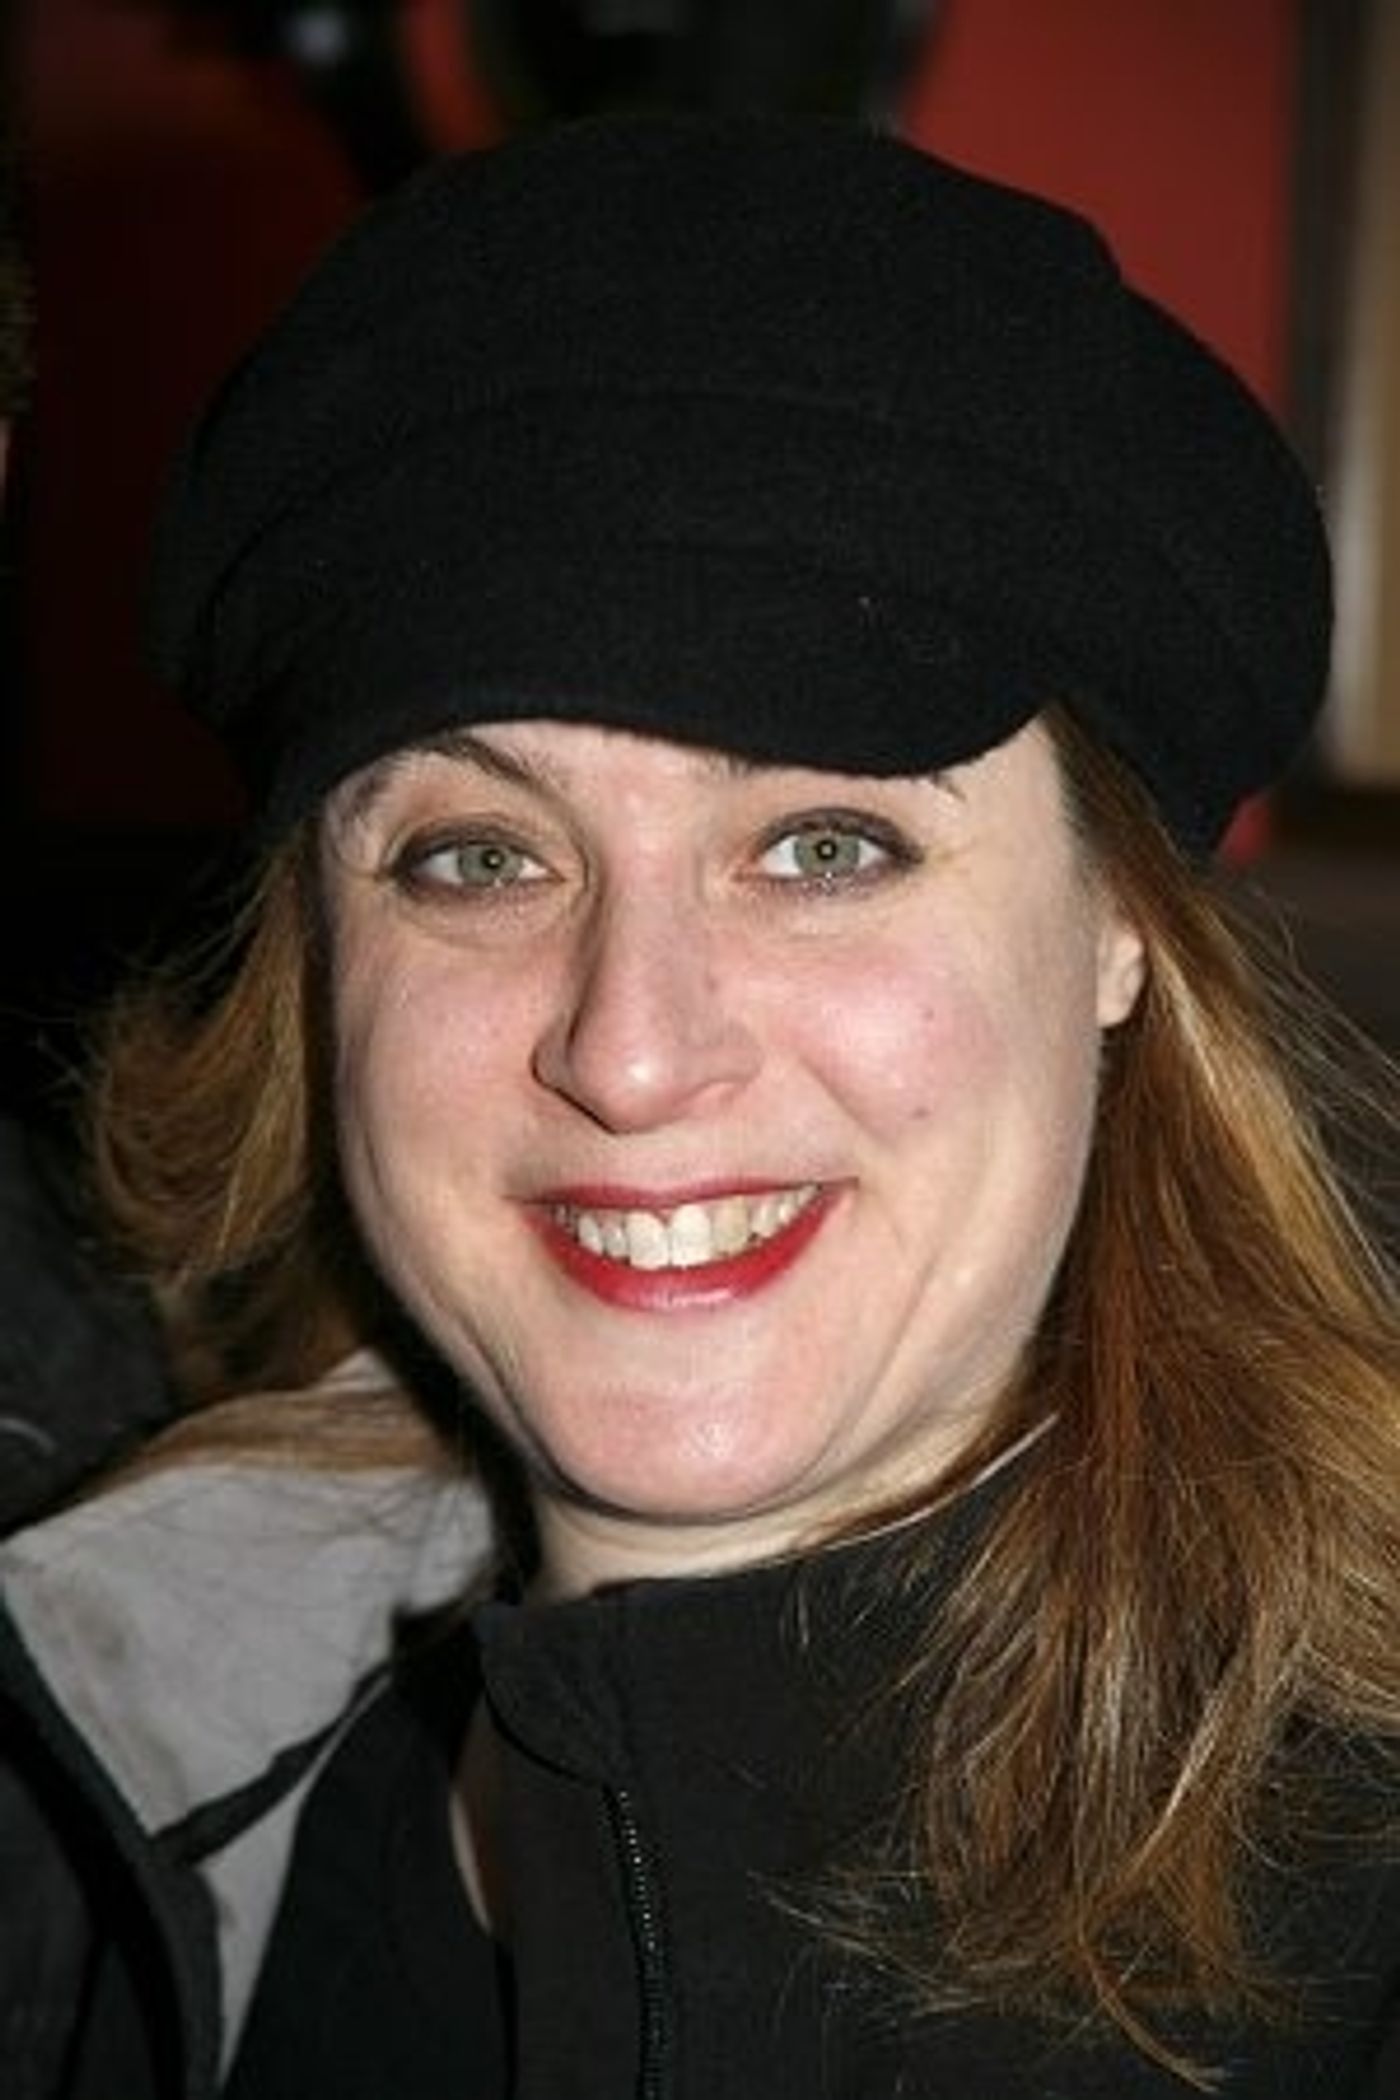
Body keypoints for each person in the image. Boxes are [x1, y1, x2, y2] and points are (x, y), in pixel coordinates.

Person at [2, 115, 1397, 2099]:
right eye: (481, 857)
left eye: (824, 846)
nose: (631, 1050)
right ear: (316, 963)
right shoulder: (104, 1777)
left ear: (1119, 929)